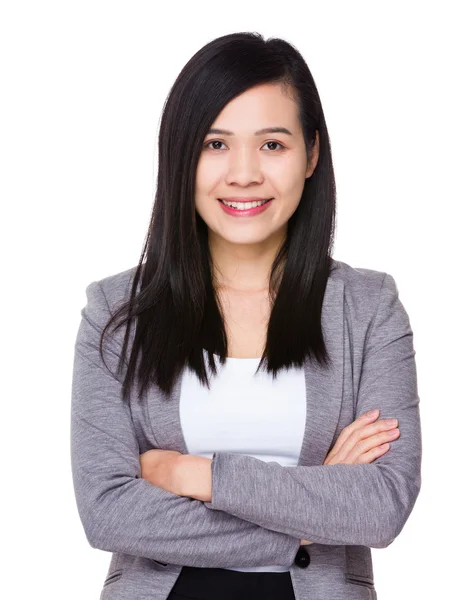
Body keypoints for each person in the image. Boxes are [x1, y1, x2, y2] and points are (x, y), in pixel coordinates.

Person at [70, 31, 422, 600]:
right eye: (215, 144)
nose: (243, 174)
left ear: (311, 154)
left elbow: (381, 506)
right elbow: (109, 512)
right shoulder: (116, 314)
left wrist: (196, 475)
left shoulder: (368, 308)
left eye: (272, 145)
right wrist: (308, 517)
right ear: (181, 156)